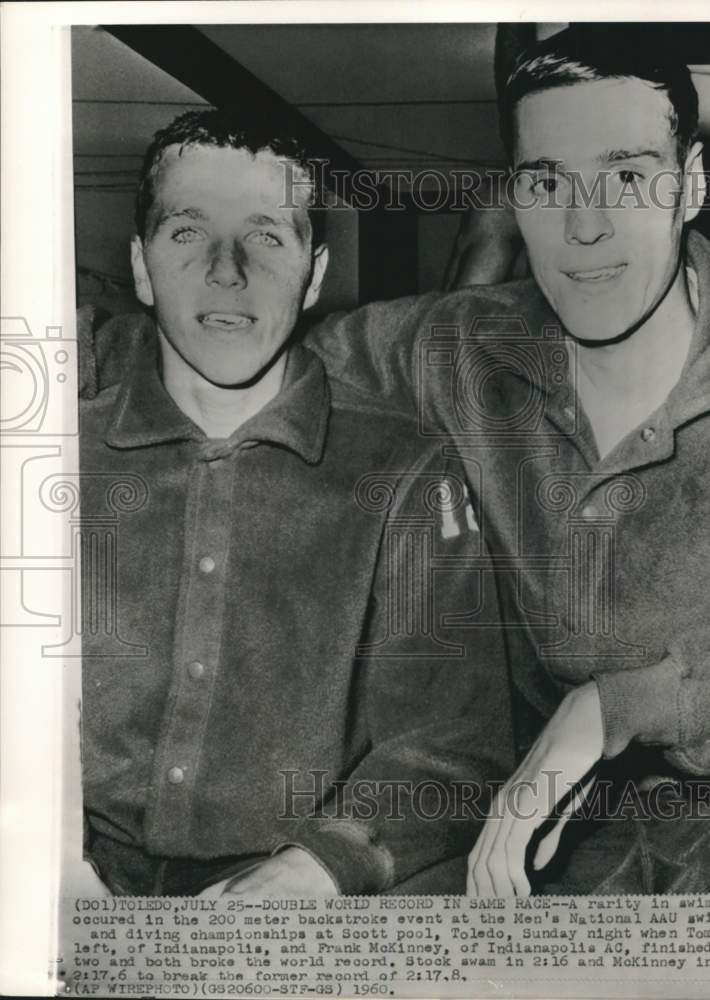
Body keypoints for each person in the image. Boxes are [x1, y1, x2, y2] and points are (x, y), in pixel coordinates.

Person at [81, 24, 710, 896]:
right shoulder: (463, 346)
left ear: (691, 185)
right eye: (545, 182)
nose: (584, 227)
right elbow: (251, 337)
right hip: (520, 874)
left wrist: (620, 705)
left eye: (627, 176)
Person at [76, 109, 513, 897]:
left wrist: (316, 869)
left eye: (267, 237)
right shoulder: (49, 455)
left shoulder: (405, 471)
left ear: (312, 275)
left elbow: (451, 742)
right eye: (186, 233)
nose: (227, 271)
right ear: (140, 267)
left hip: (292, 893)